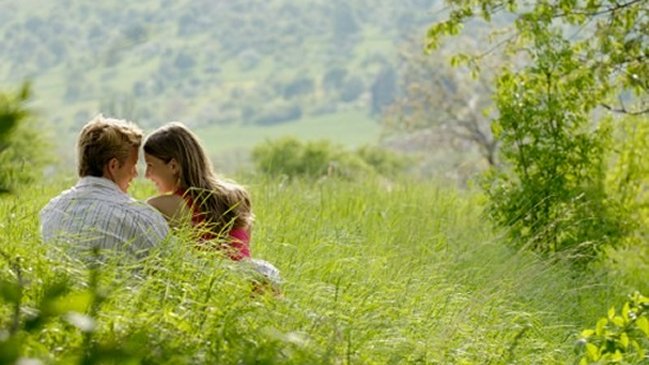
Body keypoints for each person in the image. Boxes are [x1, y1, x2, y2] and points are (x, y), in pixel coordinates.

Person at [143, 122, 281, 288]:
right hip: (254, 283)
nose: (146, 175)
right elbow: (241, 254)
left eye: (150, 166)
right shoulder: (237, 196)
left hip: (216, 290)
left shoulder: (162, 205)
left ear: (173, 166)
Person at [40, 115, 170, 259]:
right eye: (133, 165)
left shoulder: (50, 211)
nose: (135, 174)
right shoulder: (142, 218)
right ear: (113, 166)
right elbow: (176, 268)